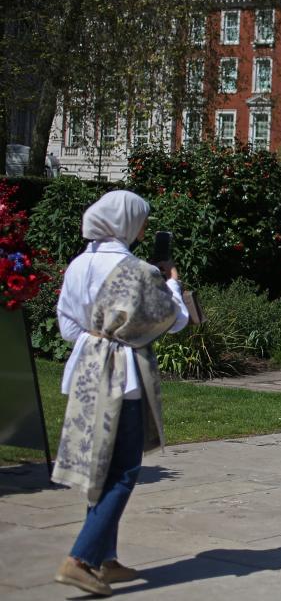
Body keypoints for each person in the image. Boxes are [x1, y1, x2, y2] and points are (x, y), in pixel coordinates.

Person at [51, 190, 189, 596]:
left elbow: (67, 327)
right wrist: (174, 284)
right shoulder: (138, 270)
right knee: (124, 470)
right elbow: (174, 320)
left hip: (86, 372)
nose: (144, 228)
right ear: (126, 223)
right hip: (123, 379)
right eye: (141, 220)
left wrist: (96, 343)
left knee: (99, 466)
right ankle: (81, 559)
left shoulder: (79, 264)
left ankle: (104, 559)